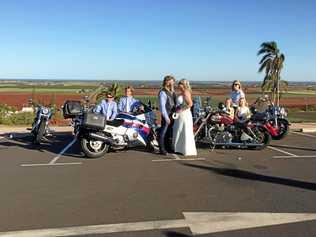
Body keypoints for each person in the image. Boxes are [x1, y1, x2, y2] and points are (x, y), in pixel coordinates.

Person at [172, 79, 197, 156]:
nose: (178, 85)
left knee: (184, 130)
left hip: (184, 114)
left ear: (184, 85)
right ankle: (179, 148)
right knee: (179, 129)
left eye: (180, 84)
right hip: (180, 114)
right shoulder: (181, 93)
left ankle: (185, 149)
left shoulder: (186, 92)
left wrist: (181, 110)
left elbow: (190, 104)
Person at [158, 75, 176, 155]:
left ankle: (168, 148)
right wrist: (166, 117)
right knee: (163, 132)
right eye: (172, 81)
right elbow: (162, 107)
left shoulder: (172, 91)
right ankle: (162, 149)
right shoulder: (163, 92)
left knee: (169, 132)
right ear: (167, 82)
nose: (173, 83)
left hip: (172, 115)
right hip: (167, 115)